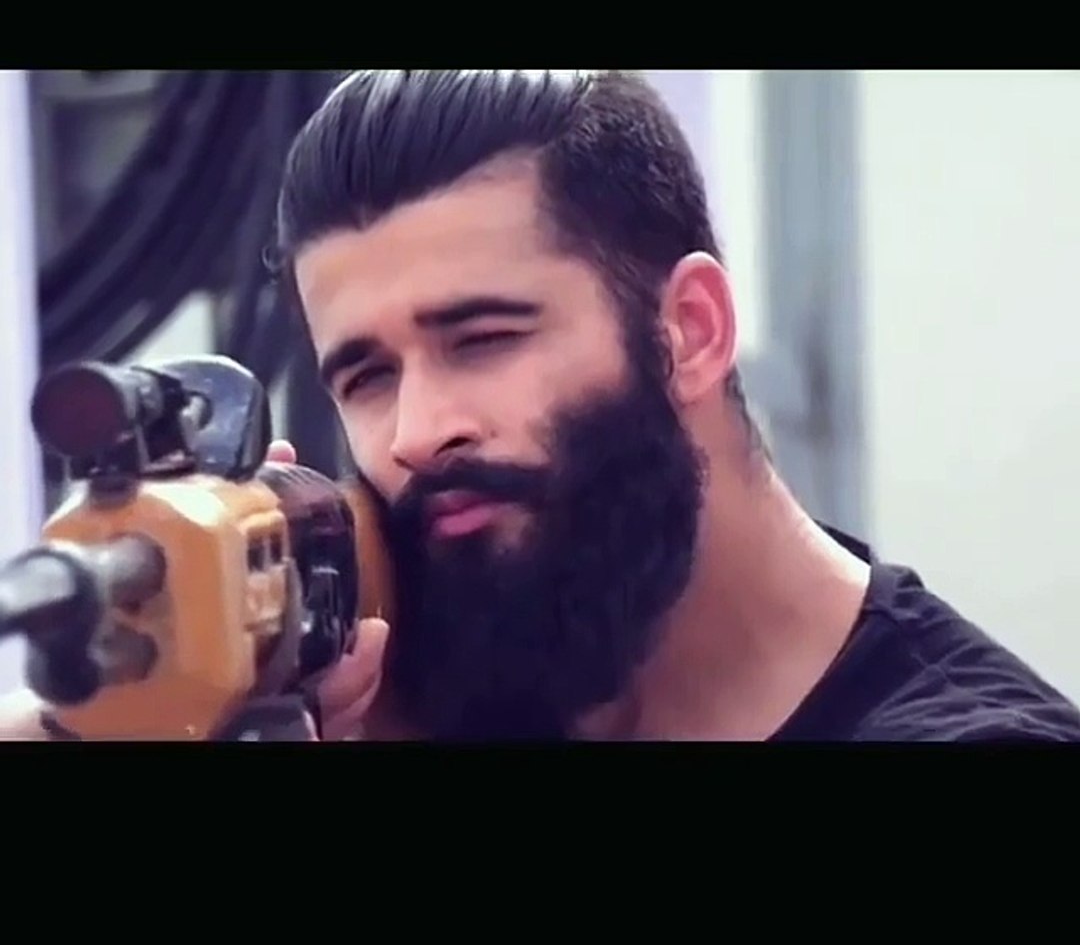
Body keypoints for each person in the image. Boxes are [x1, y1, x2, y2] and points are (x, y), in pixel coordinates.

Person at [5, 68, 1080, 741]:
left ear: (691, 329)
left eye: (483, 339)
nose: (419, 431)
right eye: (368, 377)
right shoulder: (451, 658)